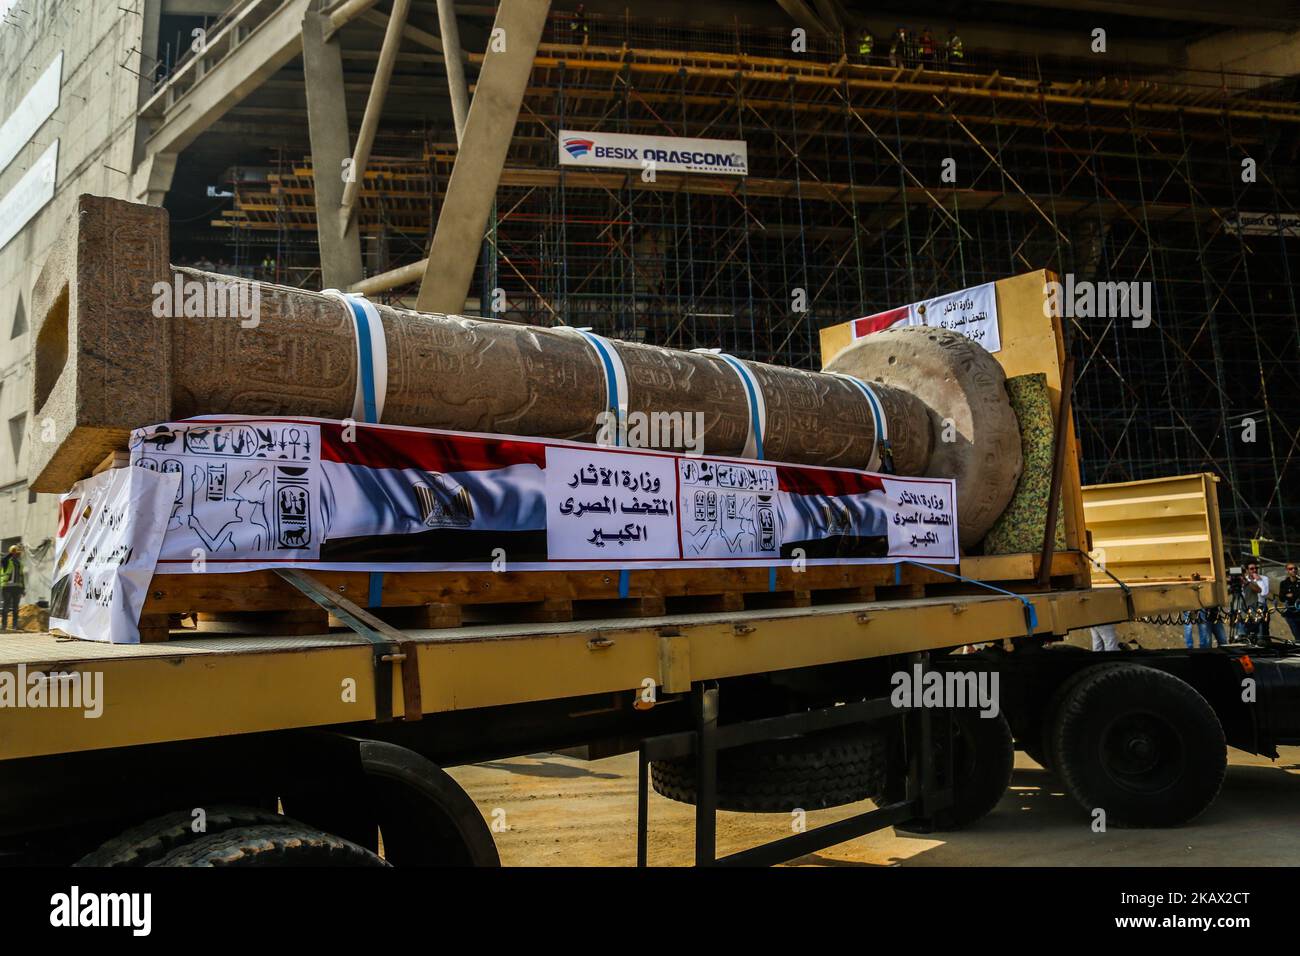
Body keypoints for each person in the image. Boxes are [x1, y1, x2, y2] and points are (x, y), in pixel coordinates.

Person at [1241, 560, 1271, 644]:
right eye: (1251, 569)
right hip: (1248, 609)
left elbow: (1264, 593)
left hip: (1261, 608)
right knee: (1248, 632)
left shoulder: (1264, 578)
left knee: (1263, 632)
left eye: (1256, 568)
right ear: (1247, 570)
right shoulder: (1244, 579)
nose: (1254, 570)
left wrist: (1259, 581)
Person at [0, 545, 24, 632]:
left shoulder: (19, 563)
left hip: (17, 588)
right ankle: (4, 626)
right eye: (16, 553)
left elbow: (22, 576)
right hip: (7, 587)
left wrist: (23, 589)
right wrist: (11, 553)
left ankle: (14, 626)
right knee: (6, 607)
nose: (18, 554)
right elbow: (3, 559)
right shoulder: (7, 561)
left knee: (15, 608)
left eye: (18, 553)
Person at [1279, 562, 1300, 641]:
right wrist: (1288, 595)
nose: (1293, 570)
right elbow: (1281, 597)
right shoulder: (1284, 583)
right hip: (1291, 613)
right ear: (1287, 571)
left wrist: (1291, 595)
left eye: (1295, 568)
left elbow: (1294, 595)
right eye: (1291, 569)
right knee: (1297, 635)